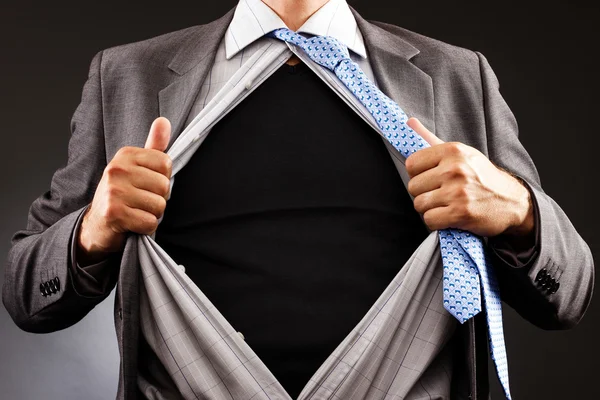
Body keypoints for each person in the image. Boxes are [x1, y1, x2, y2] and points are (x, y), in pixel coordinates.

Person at [2, 0, 594, 399]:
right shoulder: (127, 75)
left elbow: (568, 296)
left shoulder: (458, 75)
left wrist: (517, 210)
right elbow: (27, 295)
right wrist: (90, 230)